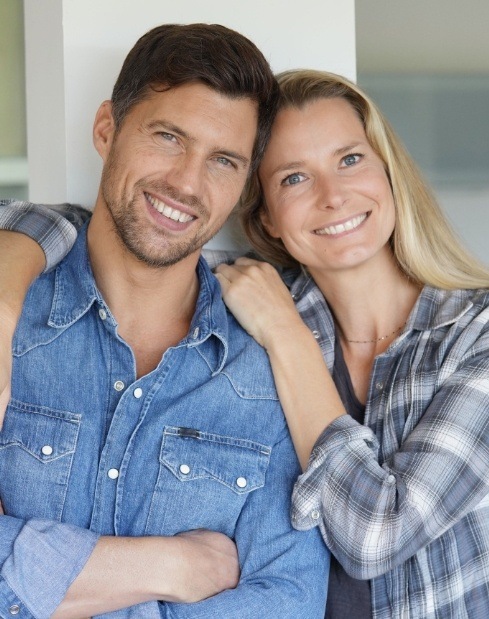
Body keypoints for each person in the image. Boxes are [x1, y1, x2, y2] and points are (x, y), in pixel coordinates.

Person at [0, 29, 329, 618]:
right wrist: (170, 567)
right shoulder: (9, 319)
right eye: (168, 137)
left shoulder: (267, 371)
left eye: (223, 161)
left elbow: (287, 602)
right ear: (107, 129)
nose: (186, 183)